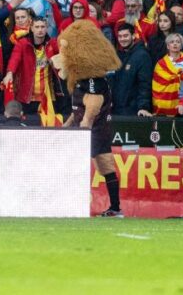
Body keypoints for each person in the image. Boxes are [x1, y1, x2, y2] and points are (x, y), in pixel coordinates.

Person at [59, 20, 124, 217]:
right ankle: (115, 207)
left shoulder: (94, 81)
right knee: (105, 165)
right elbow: (80, 106)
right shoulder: (81, 80)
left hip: (92, 132)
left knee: (79, 166)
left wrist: (85, 125)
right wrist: (69, 122)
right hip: (91, 131)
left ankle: (74, 205)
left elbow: (94, 102)